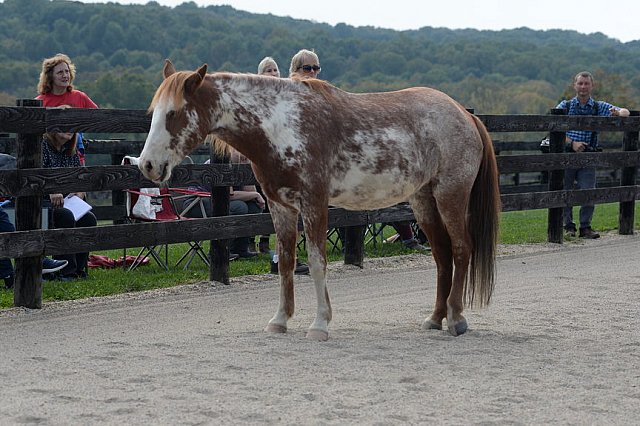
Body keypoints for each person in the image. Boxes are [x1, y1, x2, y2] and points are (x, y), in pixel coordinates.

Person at [556, 71, 629, 239]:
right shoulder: (565, 106)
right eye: (580, 83)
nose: (583, 87)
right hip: (567, 155)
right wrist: (572, 143)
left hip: (588, 156)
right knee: (565, 191)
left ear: (592, 86)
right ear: (574, 85)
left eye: (586, 83)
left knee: (589, 191)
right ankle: (568, 226)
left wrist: (618, 113)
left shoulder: (599, 106)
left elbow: (625, 112)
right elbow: (552, 128)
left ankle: (585, 227)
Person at [42, 132, 97, 279]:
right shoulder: (43, 147)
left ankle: (79, 269)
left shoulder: (70, 151)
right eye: (64, 126)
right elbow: (35, 176)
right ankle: (65, 271)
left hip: (67, 201)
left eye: (72, 128)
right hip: (41, 203)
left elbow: (79, 176)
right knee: (65, 216)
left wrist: (80, 191)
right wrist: (51, 191)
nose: (69, 130)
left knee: (89, 219)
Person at [36, 53, 98, 165]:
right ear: (50, 76)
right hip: (48, 156)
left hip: (74, 154)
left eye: (67, 71)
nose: (65, 75)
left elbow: (98, 117)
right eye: (60, 72)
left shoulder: (79, 97)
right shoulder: (40, 101)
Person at [254, 56, 281, 253]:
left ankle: (271, 241)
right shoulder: (256, 101)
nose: (273, 73)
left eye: (275, 70)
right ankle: (261, 238)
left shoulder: (284, 98)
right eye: (268, 70)